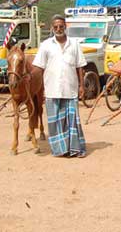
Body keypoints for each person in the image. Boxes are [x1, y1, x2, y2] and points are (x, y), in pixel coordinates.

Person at [33, 14, 87, 157]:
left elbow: (80, 66)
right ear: (52, 28)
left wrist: (82, 86)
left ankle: (74, 149)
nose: (58, 29)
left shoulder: (74, 44)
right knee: (55, 122)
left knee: (72, 122)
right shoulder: (45, 45)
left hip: (70, 89)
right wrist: (30, 80)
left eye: (61, 26)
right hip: (52, 89)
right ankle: (60, 150)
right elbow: (39, 67)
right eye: (56, 27)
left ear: (65, 27)